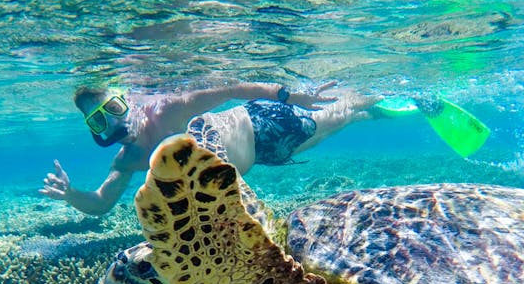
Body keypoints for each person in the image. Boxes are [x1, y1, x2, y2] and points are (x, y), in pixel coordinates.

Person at [40, 82, 377, 215]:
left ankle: (377, 98)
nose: (112, 124)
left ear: (126, 101)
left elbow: (233, 87)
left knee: (336, 118)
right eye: (99, 122)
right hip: (263, 156)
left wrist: (289, 94)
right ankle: (368, 111)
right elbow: (101, 203)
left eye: (112, 109)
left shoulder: (168, 111)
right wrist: (71, 195)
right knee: (337, 123)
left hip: (264, 126)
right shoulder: (127, 159)